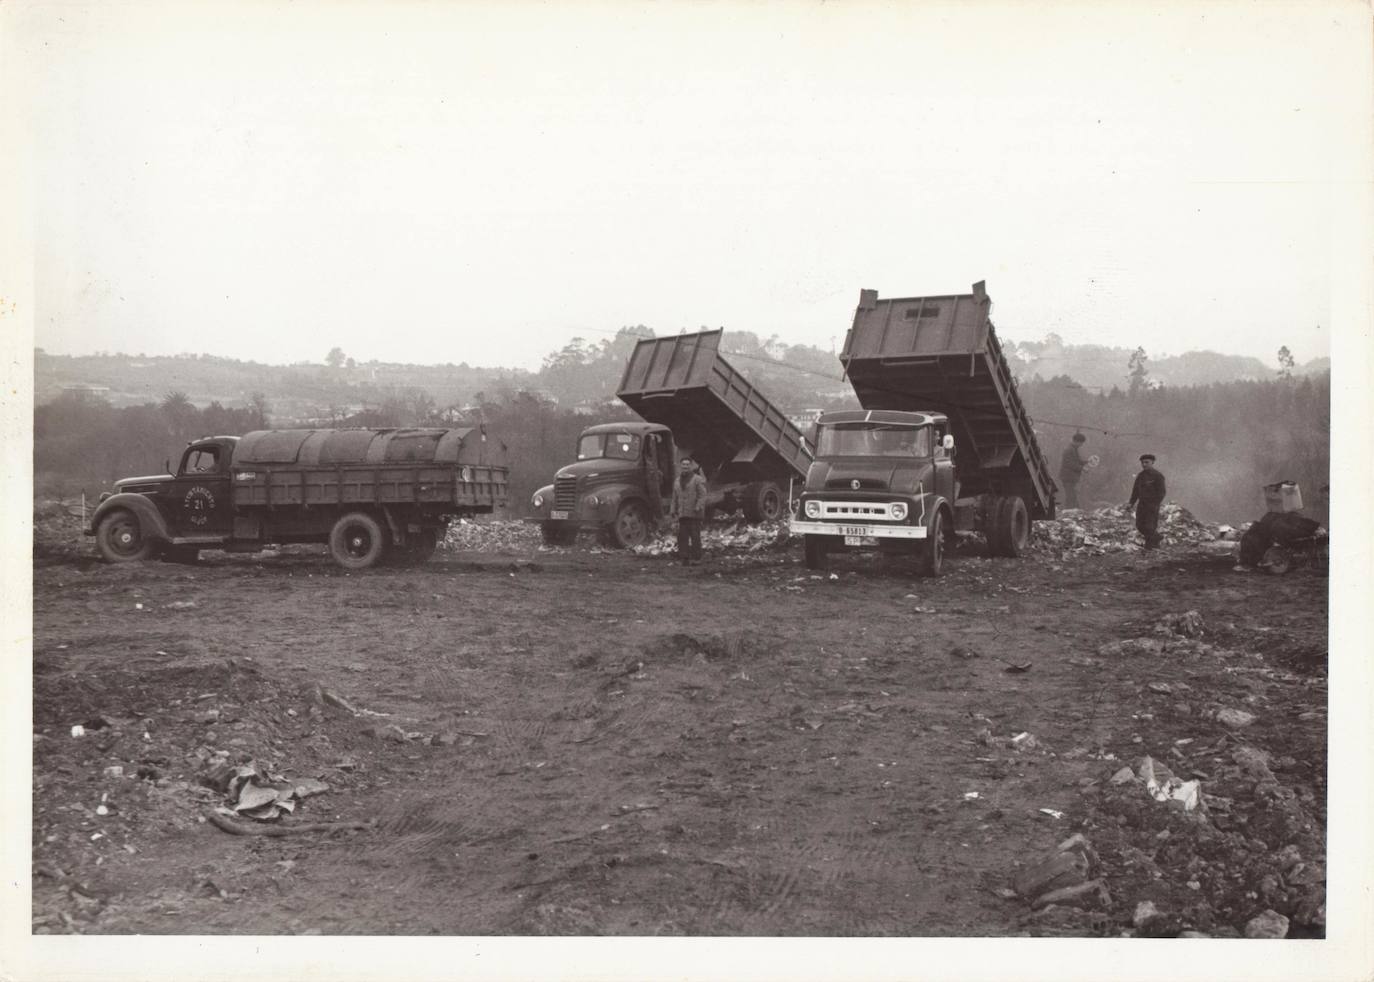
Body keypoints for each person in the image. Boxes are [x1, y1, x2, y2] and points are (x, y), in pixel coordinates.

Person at [670, 456, 708, 565]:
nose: (685, 467)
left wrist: (698, 506)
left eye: (687, 465)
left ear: (690, 466)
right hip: (682, 514)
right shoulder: (677, 481)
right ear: (680, 466)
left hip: (694, 514)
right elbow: (674, 497)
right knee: (682, 537)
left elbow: (703, 495)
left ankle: (697, 559)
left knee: (695, 536)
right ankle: (684, 559)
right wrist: (673, 510)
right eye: (683, 465)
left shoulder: (697, 479)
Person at [1127, 454, 1166, 550]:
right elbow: (1135, 491)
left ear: (1152, 463)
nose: (1144, 464)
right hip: (1142, 504)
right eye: (1142, 463)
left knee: (1150, 526)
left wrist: (1155, 503)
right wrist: (1131, 503)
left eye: (1146, 462)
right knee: (1139, 525)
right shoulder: (1140, 476)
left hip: (1152, 505)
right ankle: (1157, 538)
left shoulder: (1158, 476)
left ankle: (1150, 546)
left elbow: (1162, 492)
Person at [1059, 432, 1089, 509]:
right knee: (1071, 496)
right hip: (1068, 477)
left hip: (1070, 477)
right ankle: (1069, 511)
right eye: (1081, 443)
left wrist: (1087, 461)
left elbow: (1077, 461)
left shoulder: (1073, 449)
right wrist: (1082, 468)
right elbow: (1069, 464)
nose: (1081, 445)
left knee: (1072, 495)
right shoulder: (1069, 450)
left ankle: (1073, 510)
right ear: (1077, 441)